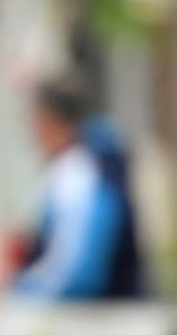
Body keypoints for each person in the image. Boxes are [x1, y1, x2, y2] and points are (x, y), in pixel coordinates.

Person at [11, 75, 144, 299]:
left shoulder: (77, 178)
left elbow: (78, 276)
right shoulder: (85, 169)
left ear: (49, 122)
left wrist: (19, 290)